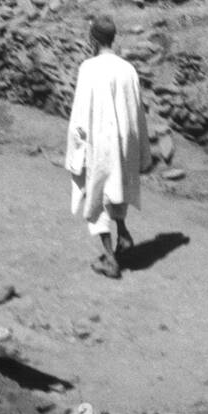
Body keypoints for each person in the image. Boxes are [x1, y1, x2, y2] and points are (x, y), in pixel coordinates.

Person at [65, 14, 151, 278]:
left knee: (96, 196)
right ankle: (123, 234)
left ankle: (110, 260)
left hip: (99, 143)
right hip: (123, 141)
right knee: (115, 188)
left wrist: (77, 145)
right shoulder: (128, 69)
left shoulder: (89, 68)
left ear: (93, 39)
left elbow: (80, 112)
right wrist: (139, 148)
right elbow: (137, 110)